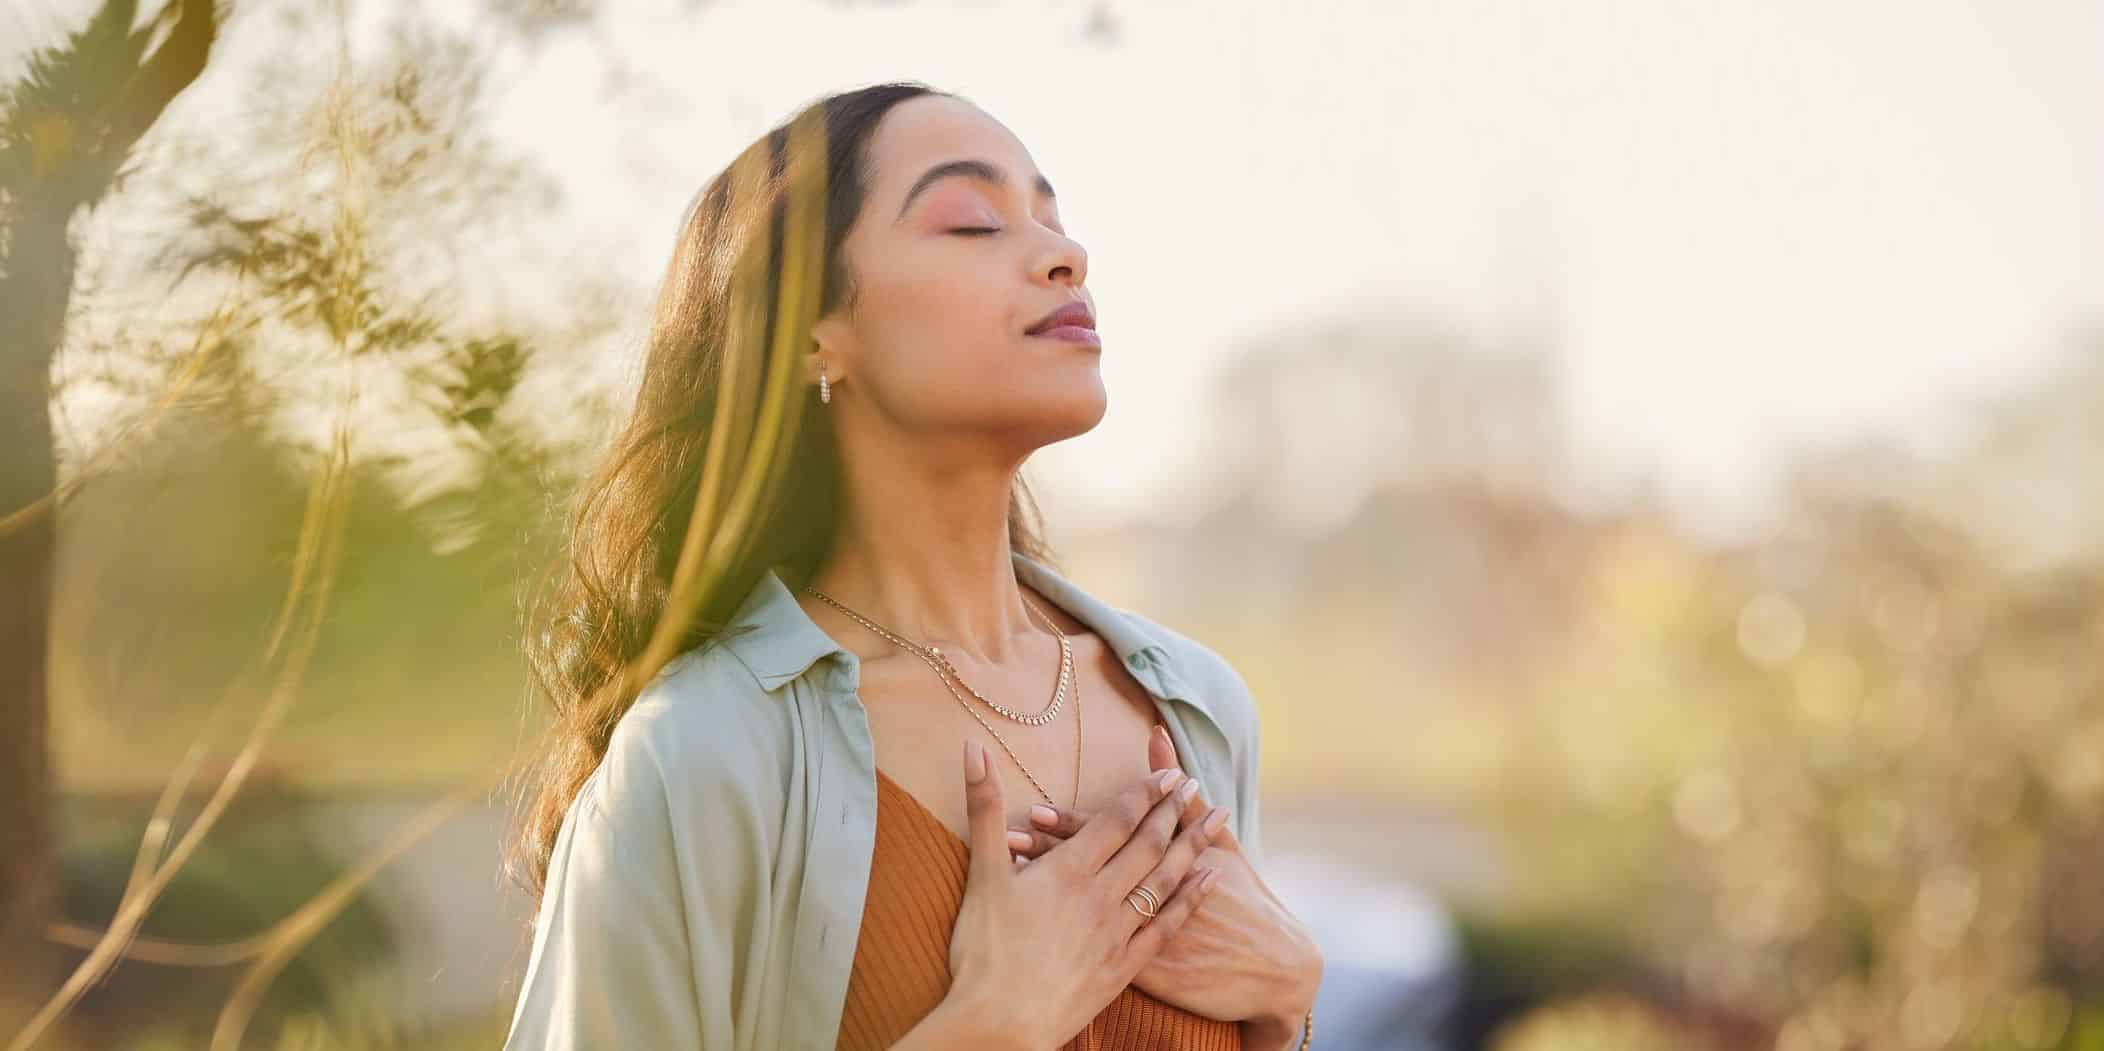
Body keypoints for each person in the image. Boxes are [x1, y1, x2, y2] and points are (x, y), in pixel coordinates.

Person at [499, 80, 1323, 1051]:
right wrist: (989, 1025)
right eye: (973, 223)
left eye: (1051, 219)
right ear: (814, 334)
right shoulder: (706, 753)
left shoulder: (1197, 709)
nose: (1066, 256)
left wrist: (1289, 1001)